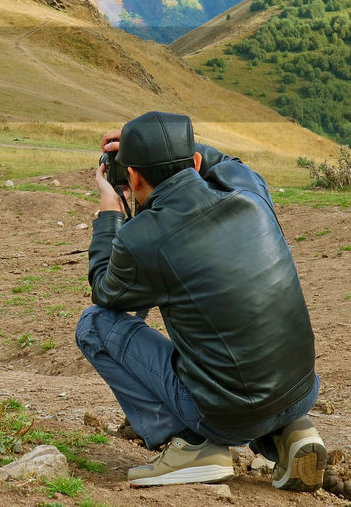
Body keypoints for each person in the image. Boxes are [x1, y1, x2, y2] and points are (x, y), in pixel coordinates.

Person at [77, 111, 325, 490]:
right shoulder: (248, 187)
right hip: (299, 390)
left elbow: (105, 291)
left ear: (134, 176)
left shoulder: (143, 238)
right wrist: (166, 143)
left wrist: (110, 213)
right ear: (193, 161)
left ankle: (194, 446)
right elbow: (225, 161)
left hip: (230, 415)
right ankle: (290, 430)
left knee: (93, 325)